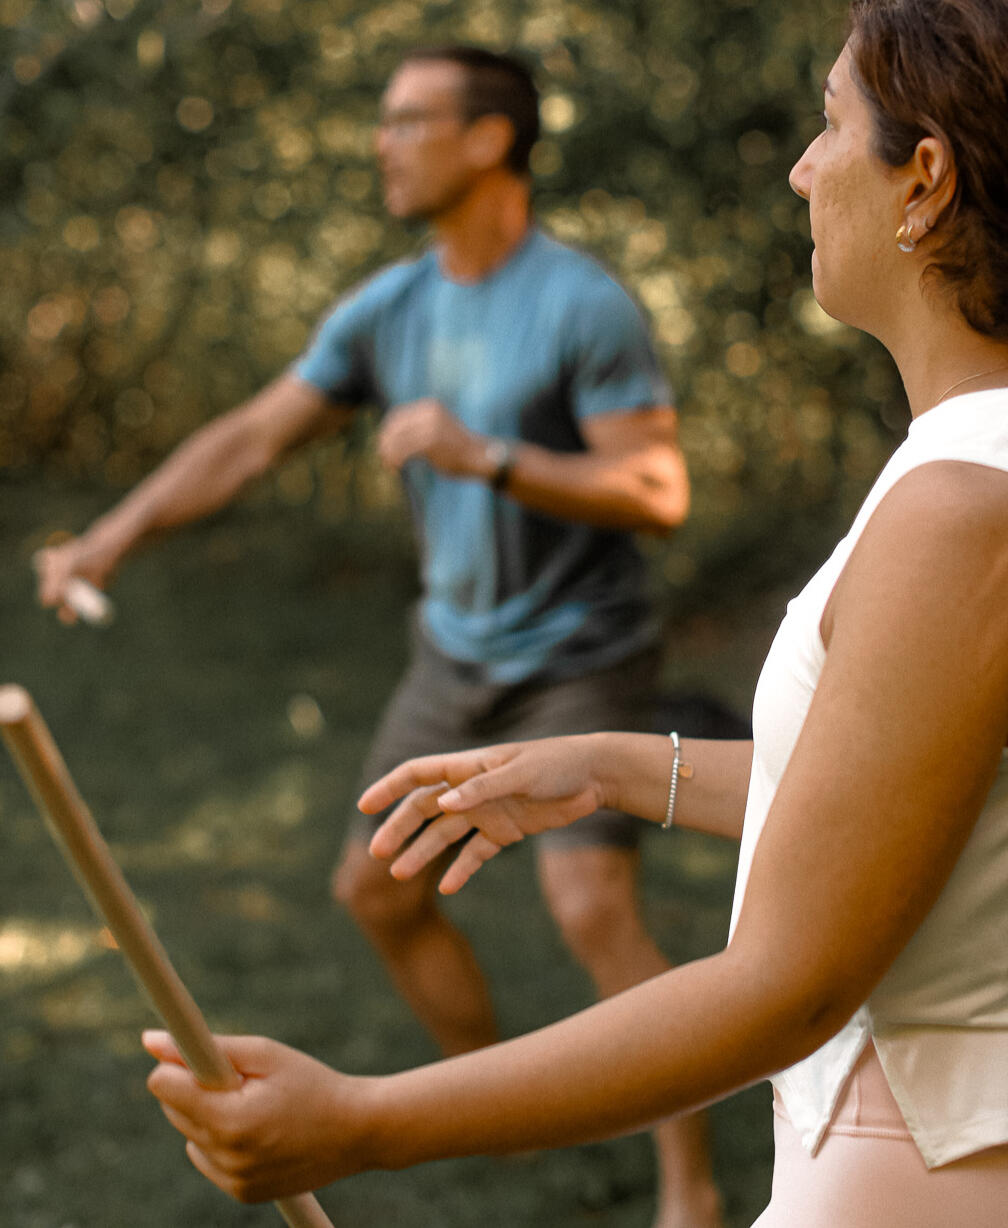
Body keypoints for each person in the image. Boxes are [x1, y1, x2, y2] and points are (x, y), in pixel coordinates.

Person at [144, 2, 1008, 1225]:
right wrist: (614, 767)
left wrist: (363, 1120)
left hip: (937, 1186)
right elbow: (905, 793)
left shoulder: (965, 511)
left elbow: (786, 987)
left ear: (924, 180)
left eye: (829, 125)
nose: (800, 169)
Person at [36, 45, 724, 1228]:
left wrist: (486, 455)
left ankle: (689, 1187)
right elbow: (252, 435)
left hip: (578, 652)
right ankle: (504, 1106)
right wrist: (110, 537)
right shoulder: (389, 308)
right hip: (453, 654)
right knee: (376, 890)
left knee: (590, 908)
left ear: (488, 139)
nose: (382, 141)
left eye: (409, 120)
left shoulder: (582, 304)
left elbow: (656, 490)